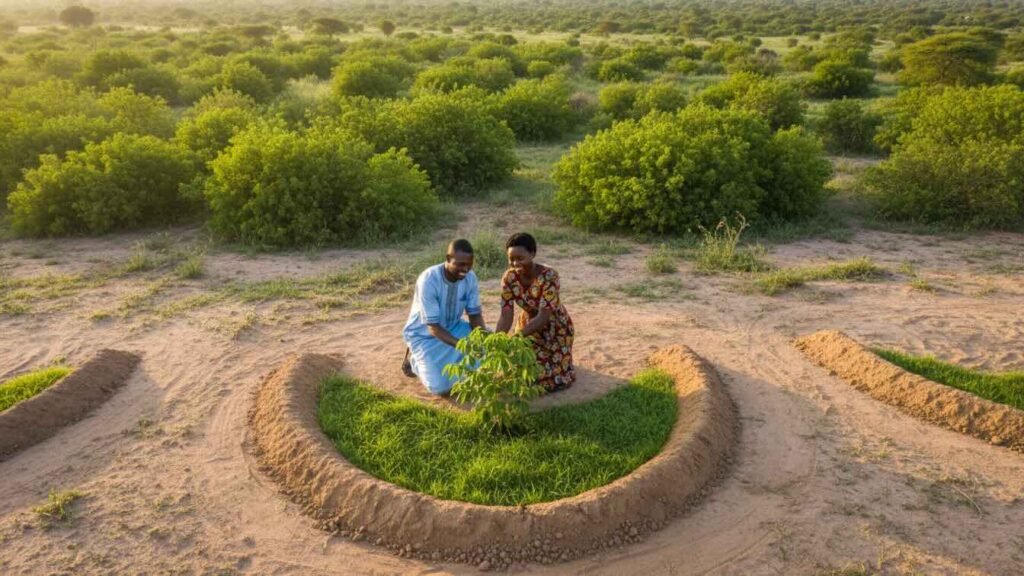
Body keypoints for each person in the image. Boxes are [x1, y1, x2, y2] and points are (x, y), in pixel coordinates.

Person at [402, 239, 485, 395]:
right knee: (439, 388)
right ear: (448, 259)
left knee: (489, 345)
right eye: (460, 264)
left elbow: (475, 315)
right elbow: (433, 327)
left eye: (469, 264)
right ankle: (415, 361)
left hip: (454, 328)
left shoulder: (470, 278)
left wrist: (484, 339)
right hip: (424, 335)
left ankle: (457, 364)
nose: (465, 269)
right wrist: (465, 347)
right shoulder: (429, 280)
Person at [496, 232, 575, 392]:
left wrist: (516, 339)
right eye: (511, 259)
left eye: (520, 258)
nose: (515, 263)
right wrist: (497, 341)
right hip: (526, 327)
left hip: (555, 328)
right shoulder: (509, 278)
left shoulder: (549, 276)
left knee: (542, 377)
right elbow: (506, 314)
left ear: (532, 254)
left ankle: (561, 365)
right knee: (515, 368)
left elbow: (544, 316)